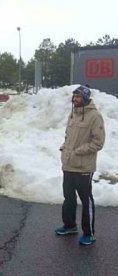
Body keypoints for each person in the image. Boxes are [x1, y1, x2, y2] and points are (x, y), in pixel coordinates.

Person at [55, 85, 105, 245]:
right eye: (73, 96)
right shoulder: (73, 114)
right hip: (68, 164)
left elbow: (98, 142)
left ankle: (89, 233)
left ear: (85, 98)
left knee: (86, 199)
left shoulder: (94, 116)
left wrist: (78, 151)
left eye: (77, 96)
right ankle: (70, 226)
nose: (74, 99)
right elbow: (68, 136)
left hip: (84, 166)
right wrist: (65, 148)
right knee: (68, 197)